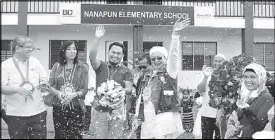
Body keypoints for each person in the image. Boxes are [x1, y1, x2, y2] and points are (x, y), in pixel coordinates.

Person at [133, 18, 190, 139]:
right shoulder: (146, 77)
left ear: (165, 59)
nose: (156, 61)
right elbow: (141, 99)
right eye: (153, 59)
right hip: (147, 118)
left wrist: (175, 35)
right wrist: (137, 116)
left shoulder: (170, 73)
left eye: (159, 58)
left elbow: (174, 54)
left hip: (164, 116)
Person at [89, 25, 133, 139]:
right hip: (100, 110)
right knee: (100, 137)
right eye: (113, 52)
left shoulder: (126, 70)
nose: (115, 55)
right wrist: (97, 39)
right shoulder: (101, 66)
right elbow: (92, 57)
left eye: (119, 53)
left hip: (117, 111)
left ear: (122, 55)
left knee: (116, 137)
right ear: (108, 52)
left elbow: (129, 89)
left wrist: (117, 91)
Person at [1, 35, 48, 139]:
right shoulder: (5, 65)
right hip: (16, 115)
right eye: (27, 47)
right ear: (17, 48)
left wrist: (44, 86)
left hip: (38, 112)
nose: (30, 49)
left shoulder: (35, 62)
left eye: (31, 47)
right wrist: (17, 90)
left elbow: (44, 80)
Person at [47, 40, 88, 139]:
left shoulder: (82, 67)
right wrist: (59, 93)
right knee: (60, 135)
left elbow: (85, 89)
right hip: (59, 107)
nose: (72, 51)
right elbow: (49, 86)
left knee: (76, 135)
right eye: (69, 49)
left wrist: (74, 94)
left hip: (76, 107)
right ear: (63, 51)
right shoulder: (56, 66)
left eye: (74, 49)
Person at [236, 63, 274, 139]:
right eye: (245, 76)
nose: (248, 80)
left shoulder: (266, 98)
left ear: (261, 78)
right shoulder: (247, 94)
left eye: (253, 77)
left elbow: (260, 128)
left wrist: (247, 111)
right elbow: (240, 118)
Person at [197, 54, 226, 139]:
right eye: (215, 61)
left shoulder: (228, 75)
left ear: (224, 62)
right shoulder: (207, 73)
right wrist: (206, 77)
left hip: (221, 114)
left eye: (220, 61)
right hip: (207, 112)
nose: (217, 63)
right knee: (206, 137)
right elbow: (200, 90)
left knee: (220, 137)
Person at [82, 63, 96, 136]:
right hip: (80, 99)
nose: (85, 69)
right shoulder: (79, 76)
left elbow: (93, 87)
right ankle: (80, 128)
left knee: (87, 115)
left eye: (86, 67)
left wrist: (86, 89)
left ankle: (86, 129)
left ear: (88, 68)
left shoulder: (91, 77)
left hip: (88, 99)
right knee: (80, 114)